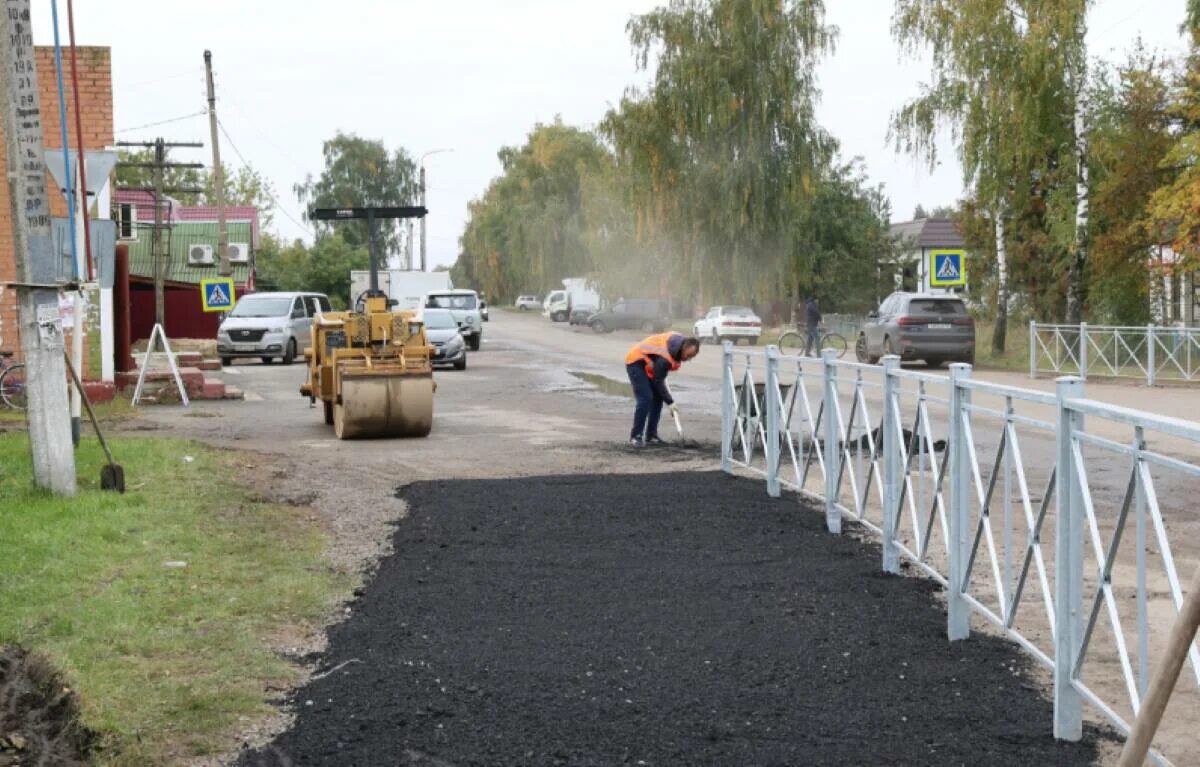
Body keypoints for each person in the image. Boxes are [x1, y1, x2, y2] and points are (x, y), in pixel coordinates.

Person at [624, 332, 701, 447]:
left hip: (650, 363)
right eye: (688, 355)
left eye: (691, 357)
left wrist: (665, 397)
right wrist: (670, 402)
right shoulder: (666, 357)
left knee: (657, 398)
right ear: (684, 348)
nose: (688, 359)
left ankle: (651, 436)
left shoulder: (678, 346)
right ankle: (636, 436)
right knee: (646, 397)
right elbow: (658, 381)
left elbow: (659, 377)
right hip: (636, 361)